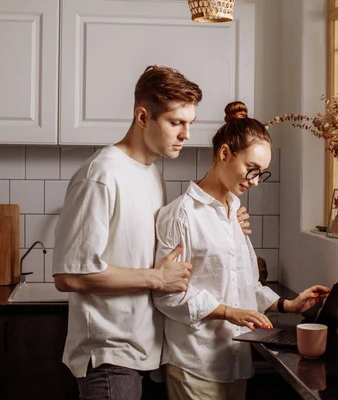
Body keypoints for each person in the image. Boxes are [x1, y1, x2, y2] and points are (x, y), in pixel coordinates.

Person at [51, 66, 252, 400]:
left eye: (190, 122)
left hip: (145, 351)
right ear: (143, 117)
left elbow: (162, 243)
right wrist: (157, 279)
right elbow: (69, 276)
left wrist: (226, 223)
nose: (186, 134)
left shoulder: (151, 173)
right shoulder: (100, 175)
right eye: (176, 123)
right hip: (109, 356)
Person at [154, 101, 331, 400]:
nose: (255, 182)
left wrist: (287, 305)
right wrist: (226, 312)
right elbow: (167, 295)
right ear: (224, 153)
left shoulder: (233, 211)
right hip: (196, 365)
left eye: (261, 173)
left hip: (236, 358)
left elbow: (244, 286)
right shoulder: (181, 215)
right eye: (251, 170)